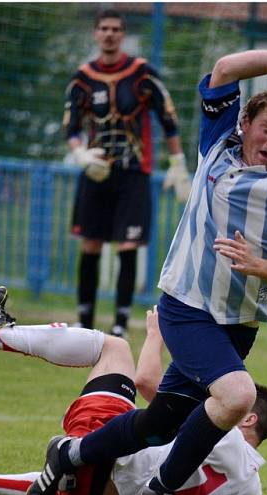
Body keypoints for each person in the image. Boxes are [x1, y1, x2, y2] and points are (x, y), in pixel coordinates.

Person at [25, 40, 267, 495]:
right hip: (186, 304)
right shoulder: (218, 143)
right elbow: (224, 67)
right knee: (238, 395)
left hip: (238, 322)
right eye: (266, 128)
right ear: (244, 124)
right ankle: (161, 492)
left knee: (158, 424)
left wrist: (259, 265)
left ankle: (67, 453)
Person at [0, 285, 267, 495]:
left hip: (103, 468)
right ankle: (4, 473)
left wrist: (156, 336)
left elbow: (147, 383)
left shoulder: (221, 435)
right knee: (90, 449)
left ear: (248, 418)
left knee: (114, 349)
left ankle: (0, 335)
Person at [66, 8, 191, 338]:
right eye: (103, 28)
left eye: (115, 29)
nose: (109, 34)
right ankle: (84, 320)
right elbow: (71, 127)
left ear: (123, 35)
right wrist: (79, 153)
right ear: (95, 33)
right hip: (96, 173)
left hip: (134, 173)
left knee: (127, 246)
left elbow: (168, 119)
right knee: (90, 245)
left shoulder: (142, 74)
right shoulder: (82, 78)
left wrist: (178, 165)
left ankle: (120, 323)